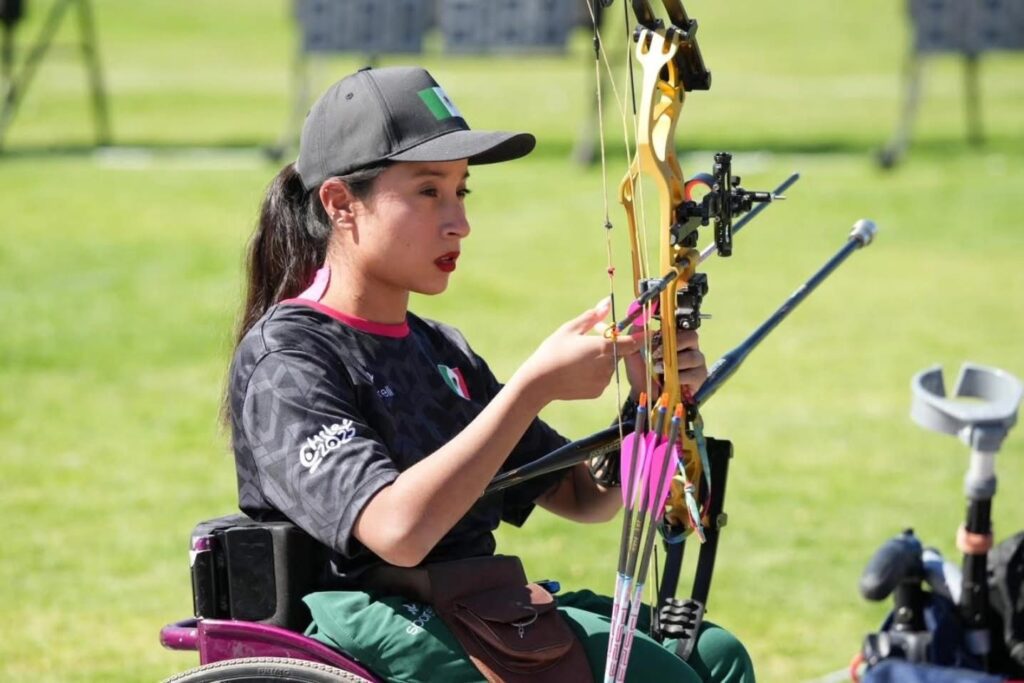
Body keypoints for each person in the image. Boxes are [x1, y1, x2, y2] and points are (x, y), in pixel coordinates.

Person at [227, 65, 754, 683]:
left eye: (462, 191)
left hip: (474, 606)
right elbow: (398, 533)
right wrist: (533, 388)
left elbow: (586, 497)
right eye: (429, 192)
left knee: (714, 657)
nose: (459, 222)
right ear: (341, 203)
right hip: (365, 618)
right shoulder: (287, 358)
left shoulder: (440, 351)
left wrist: (651, 404)